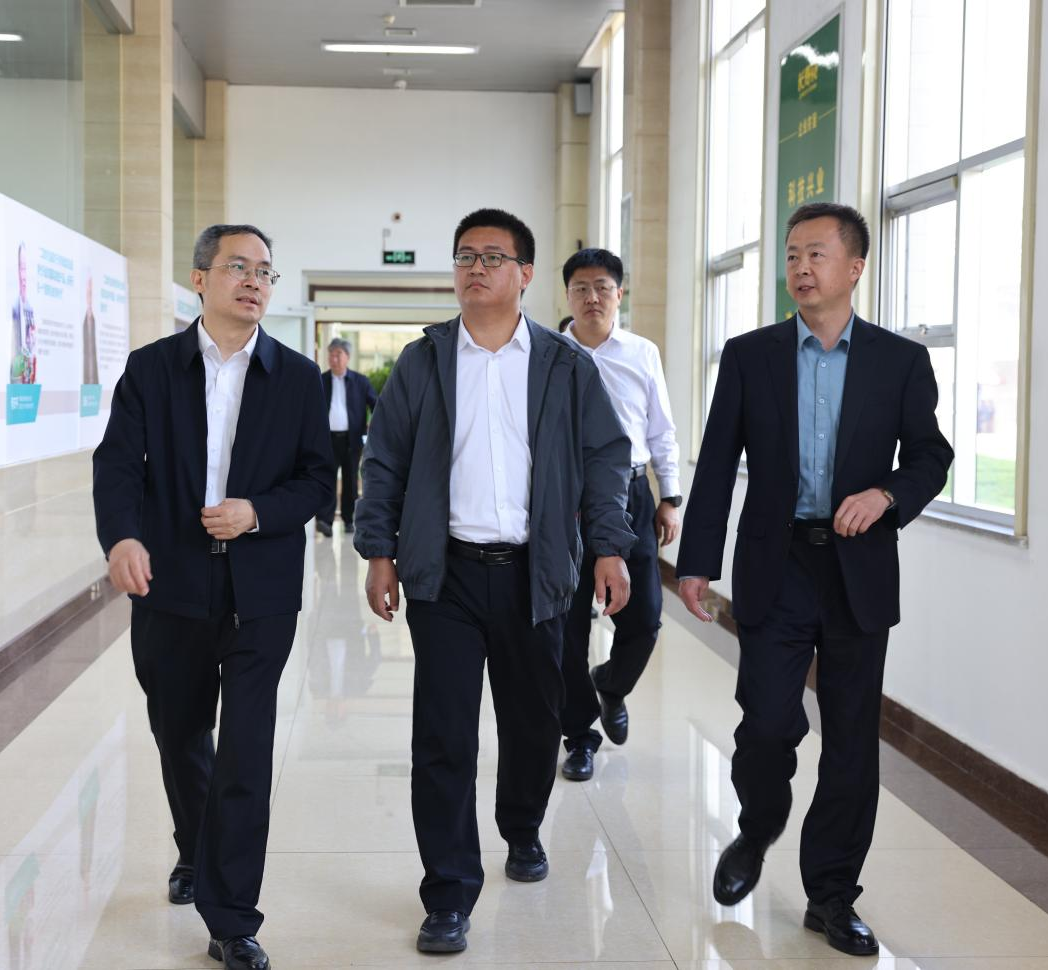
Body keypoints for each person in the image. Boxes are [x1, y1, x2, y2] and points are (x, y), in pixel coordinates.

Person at [354, 208, 635, 955]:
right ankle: (448, 892)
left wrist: (609, 547)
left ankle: (522, 827)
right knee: (442, 735)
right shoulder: (423, 361)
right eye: (465, 257)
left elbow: (606, 459)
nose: (475, 269)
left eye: (492, 257)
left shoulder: (563, 365)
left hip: (534, 574)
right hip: (444, 575)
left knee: (532, 720)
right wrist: (378, 551)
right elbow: (384, 459)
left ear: (524, 274)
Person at [675, 202, 952, 957]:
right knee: (767, 721)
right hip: (779, 562)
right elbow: (716, 461)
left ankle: (831, 895)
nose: (800, 268)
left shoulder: (899, 362)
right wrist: (695, 562)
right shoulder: (750, 356)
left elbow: (931, 456)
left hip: (858, 567)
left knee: (852, 741)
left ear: (854, 267)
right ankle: (758, 824)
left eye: (816, 255)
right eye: (792, 255)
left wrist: (887, 494)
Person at [93, 224, 332, 970]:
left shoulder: (297, 378)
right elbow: (117, 465)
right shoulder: (151, 369)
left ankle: (231, 918)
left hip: (261, 591)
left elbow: (316, 481)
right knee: (181, 731)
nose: (254, 281)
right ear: (200, 279)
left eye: (265, 270)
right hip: (171, 584)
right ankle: (195, 849)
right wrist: (122, 538)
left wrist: (256, 511)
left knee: (246, 753)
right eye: (238, 267)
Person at [556, 248, 681, 782]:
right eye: (581, 288)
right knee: (566, 628)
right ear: (567, 295)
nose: (592, 297)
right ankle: (580, 737)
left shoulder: (641, 352)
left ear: (619, 294)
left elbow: (661, 429)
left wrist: (670, 496)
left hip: (630, 495)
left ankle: (610, 684)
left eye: (603, 287)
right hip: (566, 500)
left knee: (645, 617)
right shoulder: (548, 354)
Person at [319, 337, 378, 537]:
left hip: (352, 440)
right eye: (331, 354)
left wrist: (374, 426)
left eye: (338, 354)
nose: (333, 359)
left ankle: (348, 520)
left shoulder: (360, 381)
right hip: (327, 439)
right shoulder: (321, 380)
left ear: (347, 357)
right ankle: (325, 520)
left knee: (350, 480)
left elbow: (376, 404)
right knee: (327, 478)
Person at [10, 244, 37, 384]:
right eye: (22, 269)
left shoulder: (30, 309)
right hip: (18, 384)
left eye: (26, 269)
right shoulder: (15, 310)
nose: (24, 276)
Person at [82, 274, 100, 386]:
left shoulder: (94, 319)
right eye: (88, 292)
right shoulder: (83, 321)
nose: (89, 295)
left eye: (91, 292)